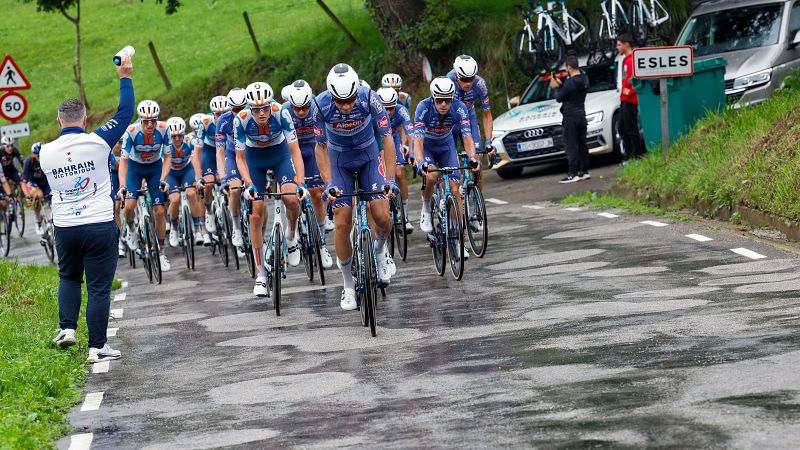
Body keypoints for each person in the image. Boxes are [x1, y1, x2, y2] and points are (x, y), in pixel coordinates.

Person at [40, 51, 134, 363]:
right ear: (84, 119)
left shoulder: (45, 153)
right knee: (98, 288)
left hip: (65, 226)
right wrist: (125, 75)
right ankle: (97, 347)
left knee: (68, 277)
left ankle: (67, 328)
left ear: (58, 121)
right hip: (98, 223)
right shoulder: (98, 142)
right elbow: (125, 113)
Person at [312, 63, 398, 310]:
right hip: (340, 162)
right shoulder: (321, 106)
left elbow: (387, 138)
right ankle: (348, 285)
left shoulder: (370, 98)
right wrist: (328, 184)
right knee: (342, 222)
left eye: (350, 99)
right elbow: (320, 147)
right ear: (331, 95)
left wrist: (390, 179)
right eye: (341, 101)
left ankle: (380, 251)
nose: (347, 106)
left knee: (382, 216)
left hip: (369, 157)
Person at [234, 81, 306, 297]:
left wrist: (300, 182)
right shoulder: (241, 120)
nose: (262, 113)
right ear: (250, 109)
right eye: (257, 110)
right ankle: (261, 274)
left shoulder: (281, 113)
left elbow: (295, 151)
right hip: (255, 160)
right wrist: (248, 184)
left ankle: (292, 235)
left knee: (292, 199)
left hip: (280, 155)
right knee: (255, 216)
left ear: (270, 105)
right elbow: (239, 158)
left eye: (265, 108)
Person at [414, 76, 479, 258]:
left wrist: (473, 157)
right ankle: (426, 207)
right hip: (427, 147)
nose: (443, 104)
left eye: (447, 100)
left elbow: (467, 137)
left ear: (453, 99)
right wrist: (421, 162)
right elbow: (417, 140)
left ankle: (458, 240)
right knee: (432, 177)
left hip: (446, 146)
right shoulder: (423, 107)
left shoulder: (460, 108)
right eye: (439, 100)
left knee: (454, 189)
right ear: (432, 98)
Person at [283, 80, 334, 269]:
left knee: (317, 192)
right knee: (292, 197)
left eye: (304, 107)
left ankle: (320, 242)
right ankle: (293, 228)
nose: (302, 112)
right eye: (297, 108)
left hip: (313, 149)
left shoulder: (317, 107)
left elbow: (326, 136)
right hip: (292, 152)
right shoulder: (284, 110)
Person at [118, 99, 172, 272]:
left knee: (160, 211)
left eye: (153, 120)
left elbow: (168, 157)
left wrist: (163, 178)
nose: (150, 124)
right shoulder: (131, 132)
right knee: (129, 205)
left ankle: (161, 253)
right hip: (135, 169)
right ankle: (132, 230)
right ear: (140, 120)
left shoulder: (164, 129)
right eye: (146, 121)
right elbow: (124, 162)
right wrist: (122, 185)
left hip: (155, 169)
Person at [448, 55, 497, 186]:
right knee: (451, 168)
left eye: (471, 78)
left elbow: (487, 114)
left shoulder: (480, 84)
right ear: (457, 75)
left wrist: (488, 141)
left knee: (477, 161)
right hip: (450, 123)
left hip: (469, 120)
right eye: (464, 79)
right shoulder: (448, 82)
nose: (468, 83)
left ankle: (478, 201)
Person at [376, 86, 414, 233]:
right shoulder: (372, 112)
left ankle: (404, 215)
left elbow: (410, 132)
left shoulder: (401, 110)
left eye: (392, 108)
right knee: (381, 176)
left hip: (394, 139)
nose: (389, 112)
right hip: (377, 142)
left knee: (399, 172)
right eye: (386, 108)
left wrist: (411, 152)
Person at [214, 88, 247, 248]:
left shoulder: (255, 116)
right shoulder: (223, 121)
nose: (239, 113)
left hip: (251, 156)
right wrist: (223, 179)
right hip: (233, 156)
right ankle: (236, 227)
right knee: (234, 190)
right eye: (235, 110)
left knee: (259, 198)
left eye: (242, 108)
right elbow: (220, 153)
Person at [164, 117, 203, 248]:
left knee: (192, 194)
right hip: (171, 173)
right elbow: (160, 164)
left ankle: (197, 229)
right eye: (173, 136)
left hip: (187, 170)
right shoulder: (165, 144)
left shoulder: (189, 141)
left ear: (184, 134)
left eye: (179, 136)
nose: (177, 139)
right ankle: (174, 228)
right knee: (174, 199)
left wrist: (198, 177)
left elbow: (195, 158)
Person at [551, 56, 590, 183]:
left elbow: (559, 98)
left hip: (570, 117)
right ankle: (584, 171)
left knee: (571, 145)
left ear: (569, 67)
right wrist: (562, 85)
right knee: (582, 144)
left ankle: (572, 173)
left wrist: (555, 87)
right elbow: (572, 91)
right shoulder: (584, 79)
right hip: (581, 114)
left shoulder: (569, 83)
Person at [200, 96, 229, 241]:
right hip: (209, 153)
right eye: (218, 114)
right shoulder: (205, 122)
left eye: (224, 113)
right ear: (213, 114)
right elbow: (197, 150)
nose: (221, 117)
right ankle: (209, 211)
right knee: (209, 183)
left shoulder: (232, 120)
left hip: (226, 149)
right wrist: (199, 174)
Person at [617, 33, 645, 161]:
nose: (617, 47)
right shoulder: (625, 60)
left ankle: (636, 156)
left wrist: (631, 91)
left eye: (619, 45)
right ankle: (629, 155)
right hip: (624, 98)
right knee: (622, 127)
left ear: (626, 44)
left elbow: (637, 78)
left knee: (631, 127)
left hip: (630, 99)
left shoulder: (634, 59)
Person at [21, 142, 51, 234]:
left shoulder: (49, 159)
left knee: (53, 201)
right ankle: (38, 221)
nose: (39, 157)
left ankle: (53, 222)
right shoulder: (29, 162)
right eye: (37, 155)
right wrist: (27, 196)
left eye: (41, 155)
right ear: (33, 154)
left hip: (46, 183)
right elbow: (23, 182)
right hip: (34, 183)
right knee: (38, 196)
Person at [108, 137, 126, 256]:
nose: (117, 146)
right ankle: (120, 241)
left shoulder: (127, 149)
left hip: (126, 174)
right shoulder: (109, 153)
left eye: (120, 142)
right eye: (115, 142)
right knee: (116, 208)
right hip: (114, 178)